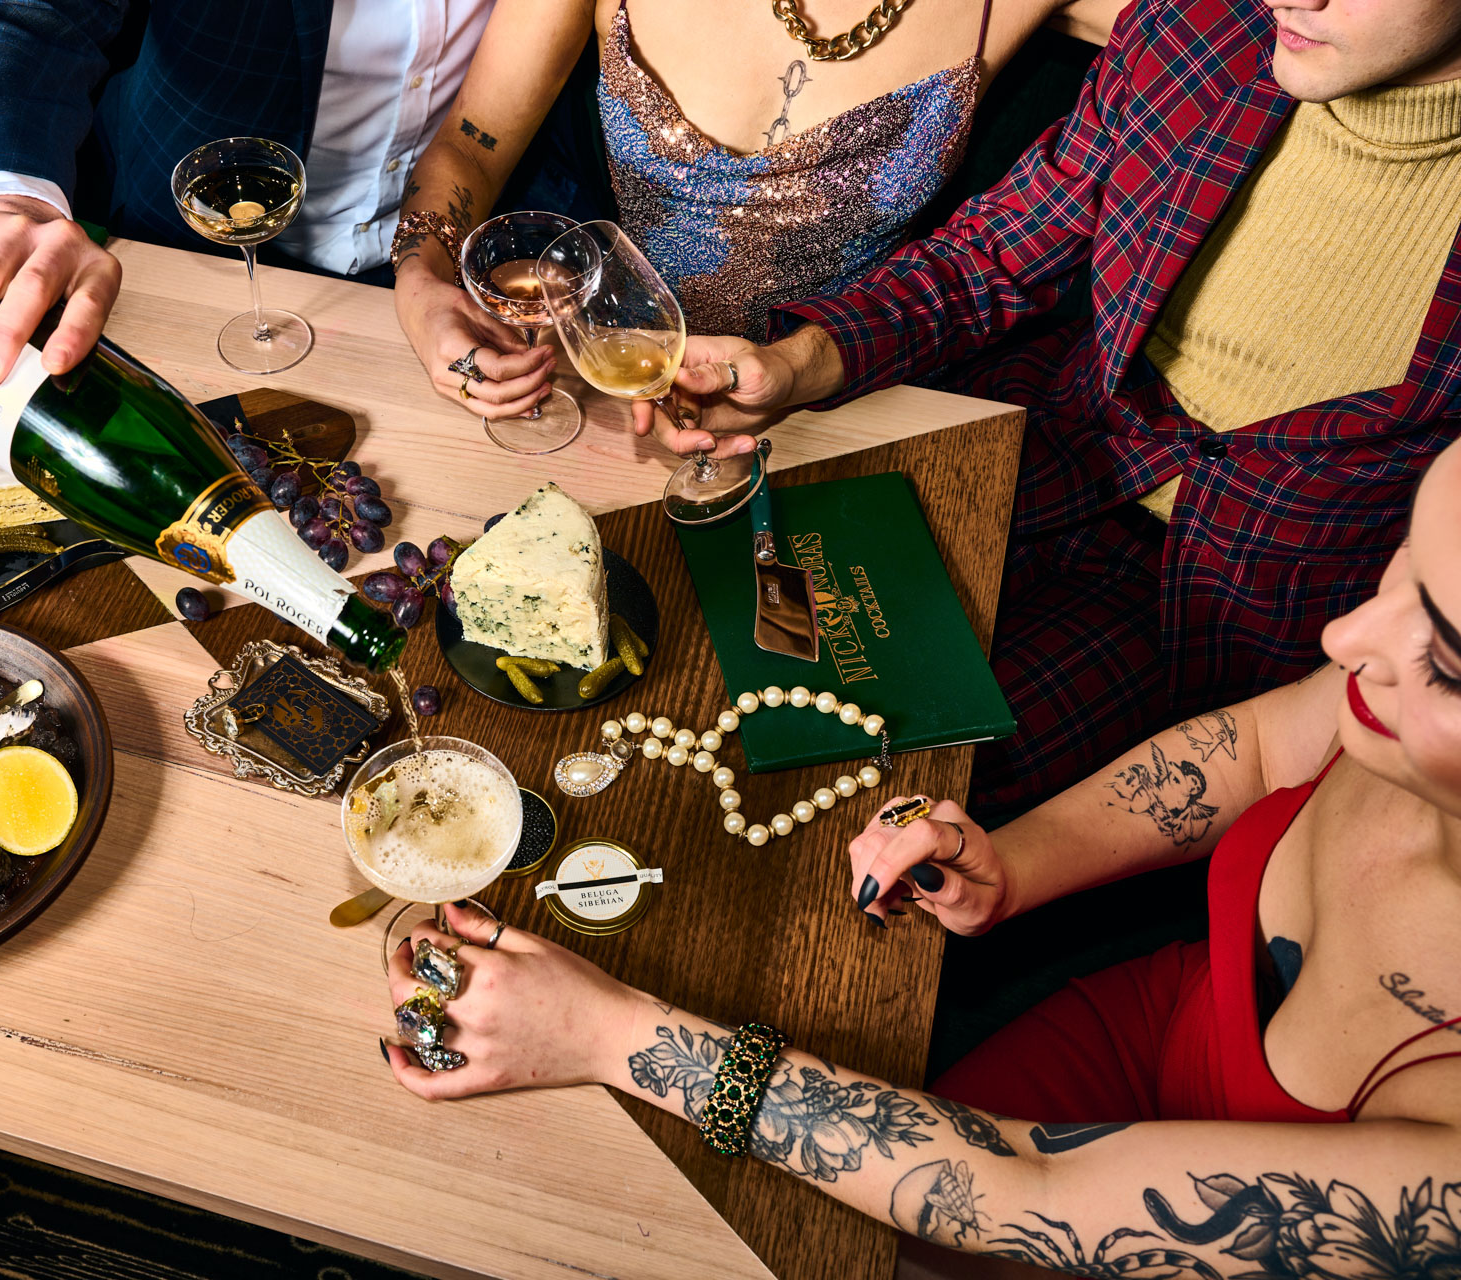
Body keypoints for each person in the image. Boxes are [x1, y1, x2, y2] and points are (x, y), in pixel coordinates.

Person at [380, 436, 1461, 1279]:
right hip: (1146, 1026)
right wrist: (1015, 868)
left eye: (1449, 658)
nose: (1348, 638)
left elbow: (1028, 1193)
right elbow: (1260, 746)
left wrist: (608, 1034)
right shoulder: (1384, 690)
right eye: (1407, 568)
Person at [617, 0, 1461, 820]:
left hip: (1224, 607)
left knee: (866, 788)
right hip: (1033, 449)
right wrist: (795, 365)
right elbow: (993, 256)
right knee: (677, 643)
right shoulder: (1201, 24)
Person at [390, 0, 1127, 421]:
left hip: (847, 403)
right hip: (606, 381)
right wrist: (420, 282)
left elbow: (1197, 46)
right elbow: (473, 144)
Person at [0, 0, 602, 392]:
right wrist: (14, 201)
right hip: (189, 258)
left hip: (455, 275)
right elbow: (16, 13)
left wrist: (427, 273)